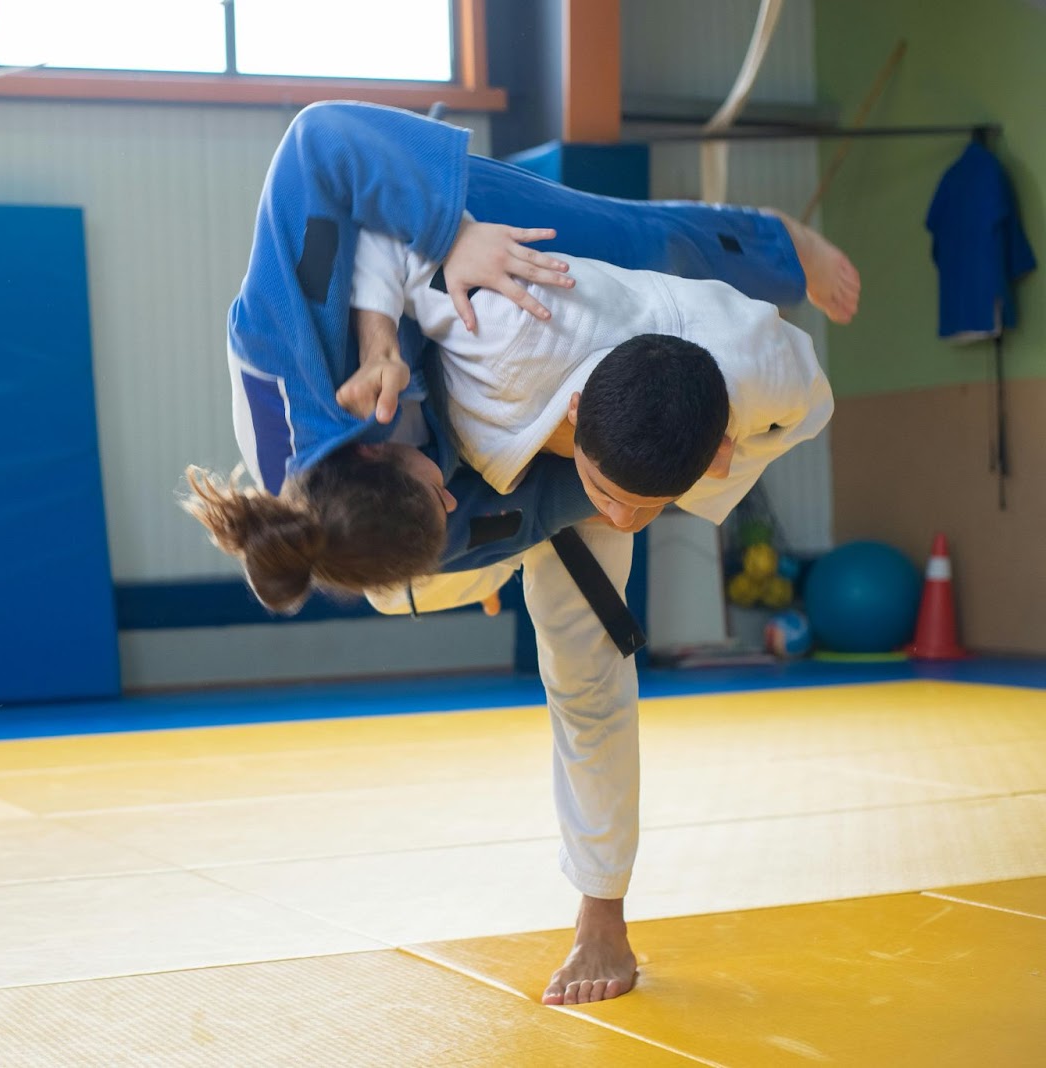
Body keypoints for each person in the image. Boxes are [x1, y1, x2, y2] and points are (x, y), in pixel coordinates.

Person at [185, 101, 854, 1005]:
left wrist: (448, 238)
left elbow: (324, 143)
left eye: (433, 485)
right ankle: (600, 903)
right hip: (470, 479)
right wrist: (652, 480)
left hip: (456, 235)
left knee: (624, 242)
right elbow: (478, 510)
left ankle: (772, 241)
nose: (448, 485)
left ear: (381, 436)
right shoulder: (400, 529)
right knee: (555, 642)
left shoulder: (292, 345)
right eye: (444, 502)